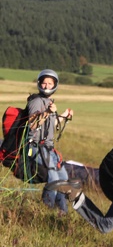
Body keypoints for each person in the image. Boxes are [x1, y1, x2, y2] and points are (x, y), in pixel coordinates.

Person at [27, 69, 73, 214]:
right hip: (35, 146)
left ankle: (62, 212)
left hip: (48, 148)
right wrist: (47, 112)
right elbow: (33, 125)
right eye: (44, 83)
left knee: (64, 179)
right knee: (53, 177)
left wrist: (64, 116)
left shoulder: (49, 102)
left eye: (50, 83)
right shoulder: (36, 102)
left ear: (55, 85)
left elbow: (50, 125)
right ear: (39, 84)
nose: (46, 86)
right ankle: (46, 210)